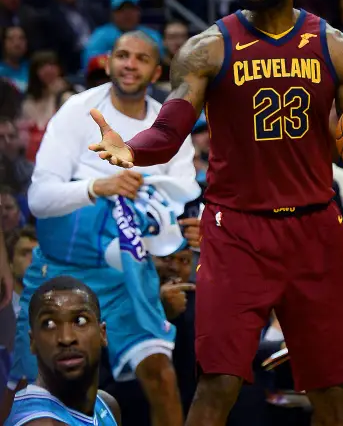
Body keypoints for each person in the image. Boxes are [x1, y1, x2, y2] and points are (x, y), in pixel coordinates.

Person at [87, 0, 343, 426]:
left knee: (329, 388)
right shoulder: (208, 48)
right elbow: (171, 129)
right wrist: (130, 149)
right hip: (236, 230)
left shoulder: (338, 48)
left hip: (314, 231)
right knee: (217, 381)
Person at [4, 31, 201, 426]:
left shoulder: (169, 128)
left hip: (129, 273)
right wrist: (99, 186)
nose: (130, 64)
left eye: (141, 58)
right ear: (108, 61)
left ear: (156, 70)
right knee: (32, 386)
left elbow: (181, 198)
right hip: (63, 268)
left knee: (161, 375)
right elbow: (41, 199)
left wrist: (182, 230)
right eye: (122, 55)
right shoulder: (78, 111)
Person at [5, 276, 121, 425]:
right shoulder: (39, 422)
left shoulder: (106, 404)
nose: (66, 338)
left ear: (102, 334)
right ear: (33, 341)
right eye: (49, 324)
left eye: (80, 321)